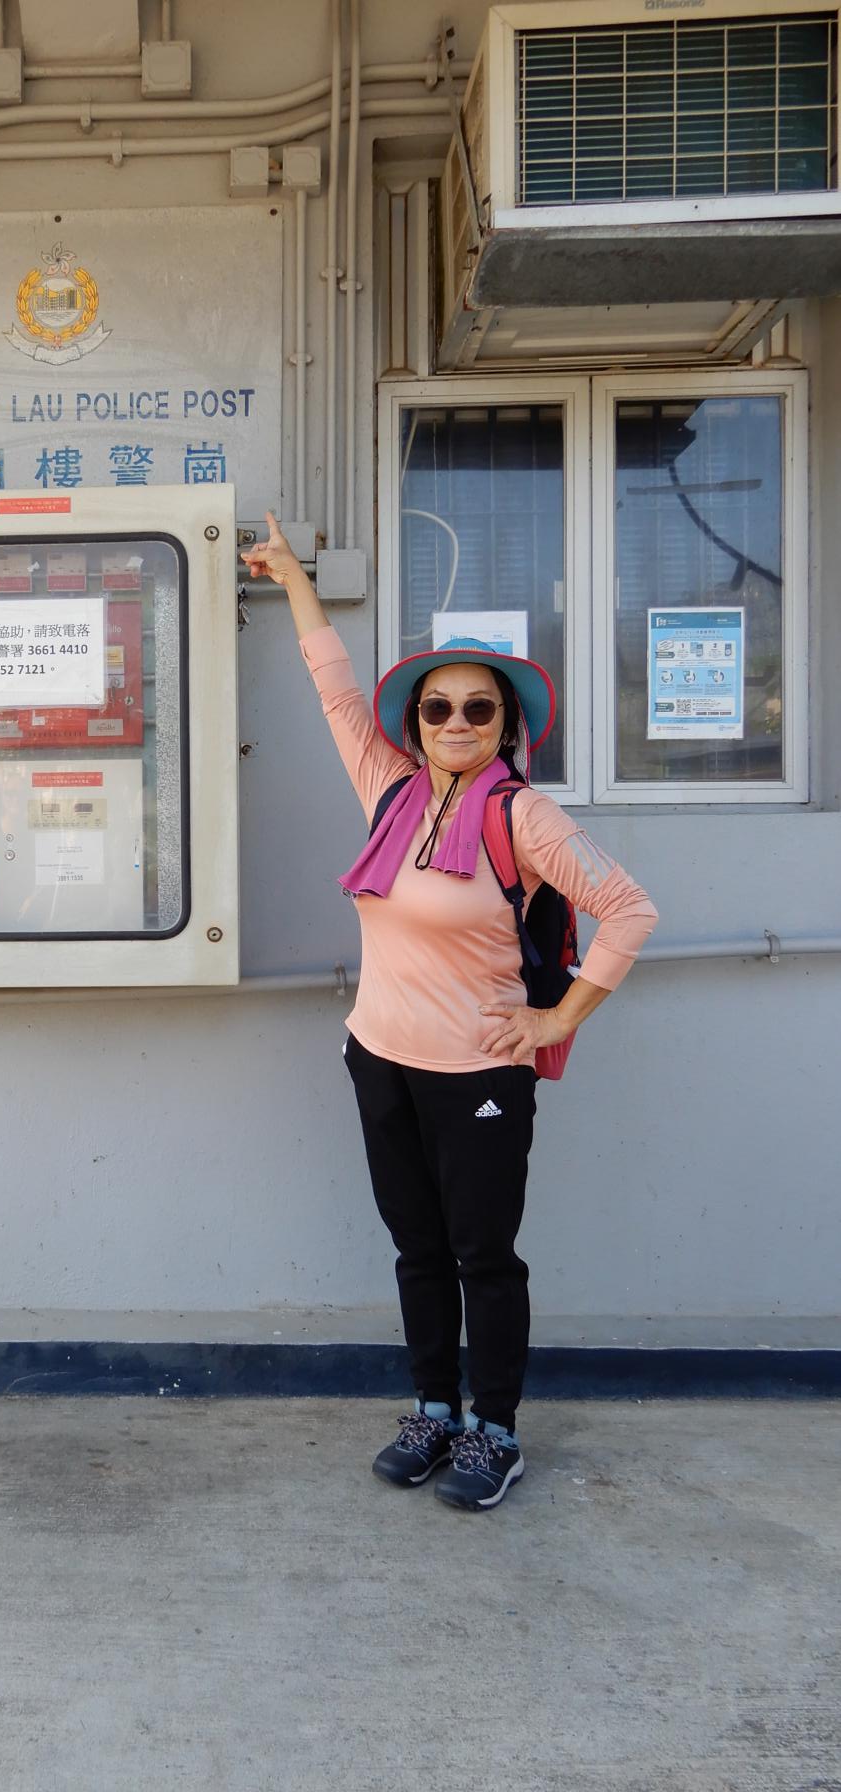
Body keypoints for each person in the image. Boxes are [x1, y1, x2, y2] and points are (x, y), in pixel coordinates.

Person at [240, 513, 658, 1512]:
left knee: (484, 1256)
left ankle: (495, 1430)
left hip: (477, 1071)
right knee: (417, 1248)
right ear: (417, 721)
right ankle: (433, 1406)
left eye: (479, 708)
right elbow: (335, 687)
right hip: (380, 1057)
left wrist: (558, 1022)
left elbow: (630, 910)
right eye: (438, 708)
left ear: (506, 724)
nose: (456, 722)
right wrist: (293, 579)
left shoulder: (523, 815)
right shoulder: (390, 790)